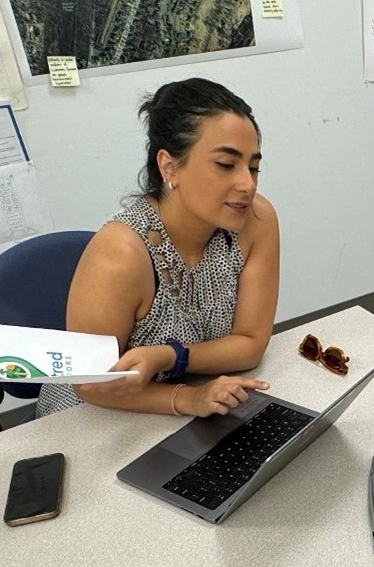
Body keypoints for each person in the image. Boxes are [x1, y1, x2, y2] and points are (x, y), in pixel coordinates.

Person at [38, 78, 279, 419]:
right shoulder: (120, 252)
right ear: (169, 166)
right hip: (93, 417)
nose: (247, 184)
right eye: (226, 165)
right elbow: (89, 384)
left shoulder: (257, 219)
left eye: (253, 167)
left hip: (203, 397)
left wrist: (171, 356)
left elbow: (250, 344)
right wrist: (186, 399)